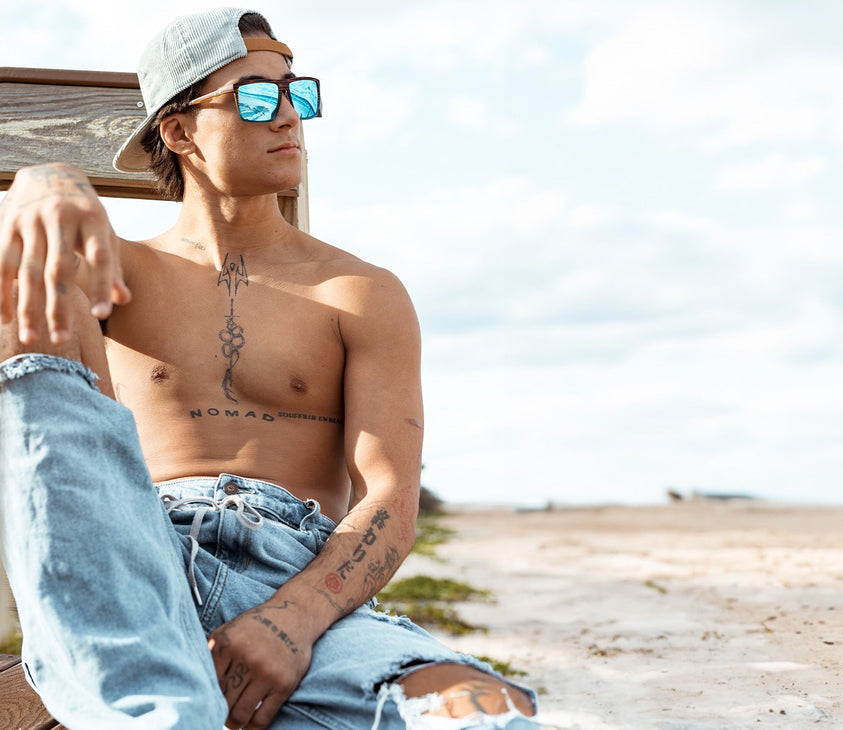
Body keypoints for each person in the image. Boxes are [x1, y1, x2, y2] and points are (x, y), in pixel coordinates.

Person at [0, 8, 538, 729]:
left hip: (299, 568)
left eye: (297, 93)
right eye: (256, 98)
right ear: (180, 130)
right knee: (36, 278)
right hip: (136, 555)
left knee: (482, 714)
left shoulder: (359, 292)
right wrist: (44, 183)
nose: (289, 117)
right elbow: (54, 427)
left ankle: (158, 706)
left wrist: (293, 618)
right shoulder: (111, 272)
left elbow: (388, 497)